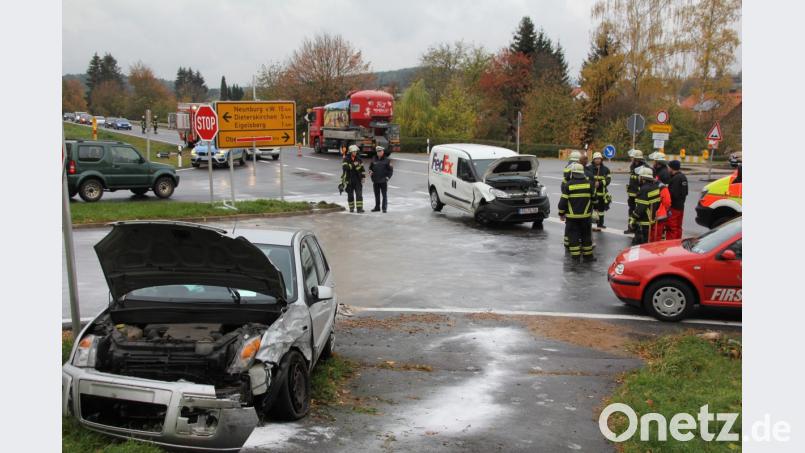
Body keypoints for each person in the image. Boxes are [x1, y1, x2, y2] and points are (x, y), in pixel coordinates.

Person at [558, 163, 595, 262]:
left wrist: (561, 214)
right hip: (586, 217)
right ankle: (588, 257)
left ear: (572, 173)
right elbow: (594, 199)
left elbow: (562, 203)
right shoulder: (589, 184)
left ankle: (576, 257)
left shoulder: (568, 185)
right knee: (586, 236)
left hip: (572, 218)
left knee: (573, 237)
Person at [629, 166, 661, 245]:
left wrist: (633, 218)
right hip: (652, 220)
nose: (638, 178)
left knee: (639, 245)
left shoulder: (644, 190)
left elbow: (641, 208)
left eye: (639, 176)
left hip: (644, 222)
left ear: (643, 178)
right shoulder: (655, 187)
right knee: (648, 244)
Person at [624, 149, 649, 234]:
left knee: (639, 211)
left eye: (634, 158)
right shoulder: (633, 165)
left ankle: (638, 228)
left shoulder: (645, 167)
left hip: (639, 193)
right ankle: (631, 227)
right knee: (631, 210)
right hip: (631, 192)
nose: (632, 159)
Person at [587, 152, 612, 231]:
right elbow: (587, 179)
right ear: (593, 160)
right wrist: (594, 183)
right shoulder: (589, 168)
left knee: (601, 210)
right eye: (596, 159)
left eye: (599, 159)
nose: (598, 160)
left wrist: (600, 183)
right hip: (592, 193)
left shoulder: (606, 169)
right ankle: (589, 223)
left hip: (601, 194)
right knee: (590, 209)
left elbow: (608, 180)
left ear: (601, 160)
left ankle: (600, 224)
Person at [666, 160, 688, 240]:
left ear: (672, 168)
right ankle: (678, 243)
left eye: (668, 167)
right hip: (680, 206)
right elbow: (685, 193)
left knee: (671, 228)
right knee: (678, 227)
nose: (667, 169)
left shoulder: (676, 178)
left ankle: (671, 246)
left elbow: (673, 194)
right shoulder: (683, 177)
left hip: (674, 207)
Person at [341, 145, 366, 213]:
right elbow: (345, 168)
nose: (355, 153)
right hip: (349, 180)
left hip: (358, 180)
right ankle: (351, 208)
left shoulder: (359, 159)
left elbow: (362, 169)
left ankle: (359, 208)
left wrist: (363, 177)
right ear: (350, 152)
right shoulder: (346, 159)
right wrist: (353, 165)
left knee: (359, 195)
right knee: (350, 195)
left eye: (356, 151)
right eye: (353, 151)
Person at [369, 146, 393, 212]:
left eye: (380, 151)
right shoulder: (373, 159)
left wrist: (388, 177)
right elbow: (370, 168)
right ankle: (377, 207)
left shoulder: (387, 160)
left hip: (383, 180)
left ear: (383, 152)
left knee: (384, 195)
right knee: (377, 195)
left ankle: (384, 208)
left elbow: (390, 170)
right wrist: (370, 171)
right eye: (378, 151)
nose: (379, 153)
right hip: (375, 180)